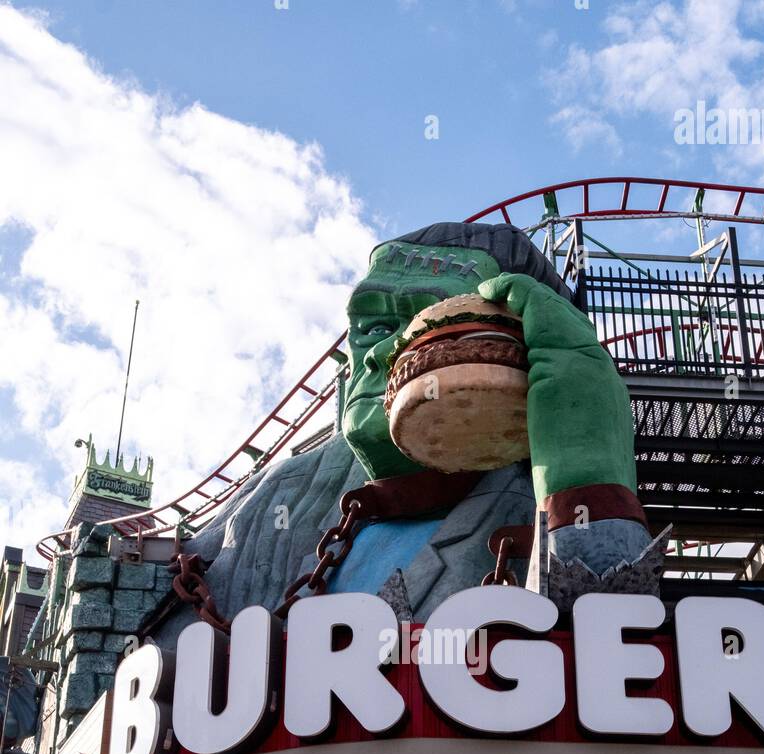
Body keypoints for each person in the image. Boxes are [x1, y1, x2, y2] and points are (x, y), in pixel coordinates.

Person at [151, 221, 656, 650]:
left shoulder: (539, 499)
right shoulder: (277, 499)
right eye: (370, 327)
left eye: (423, 324)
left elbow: (606, 675)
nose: (377, 353)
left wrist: (587, 481)